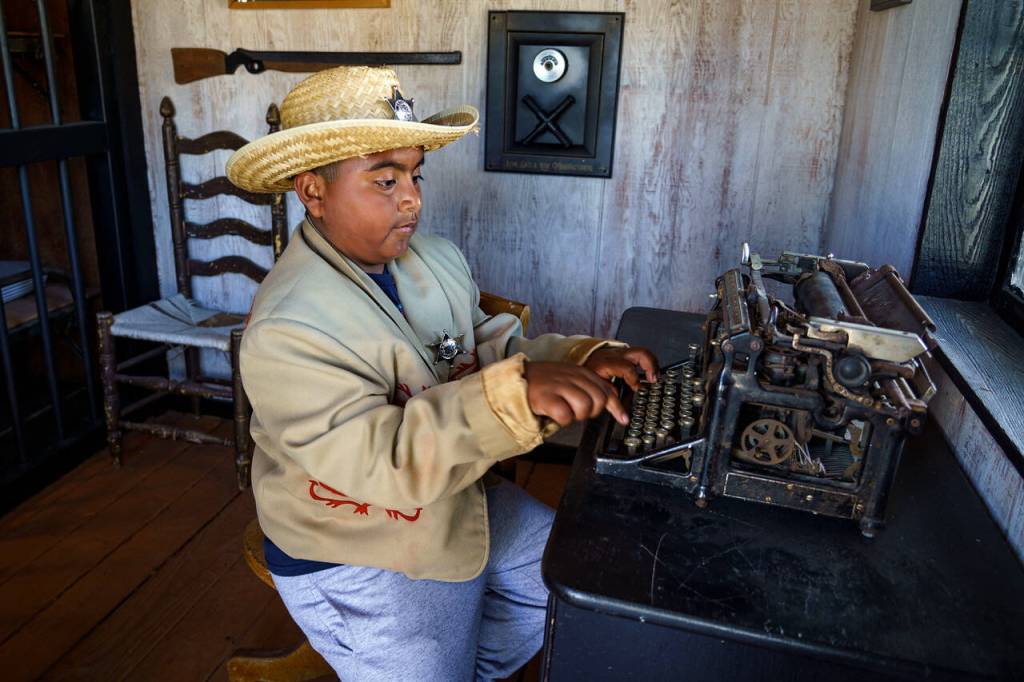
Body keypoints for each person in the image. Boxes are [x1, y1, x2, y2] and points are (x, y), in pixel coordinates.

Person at [226, 65, 658, 681]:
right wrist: (515, 397)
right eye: (384, 179)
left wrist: (579, 359)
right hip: (354, 541)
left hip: (451, 493)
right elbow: (383, 463)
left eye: (414, 174)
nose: (412, 199)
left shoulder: (434, 259)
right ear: (312, 192)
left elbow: (491, 346)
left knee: (570, 579)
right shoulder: (289, 327)